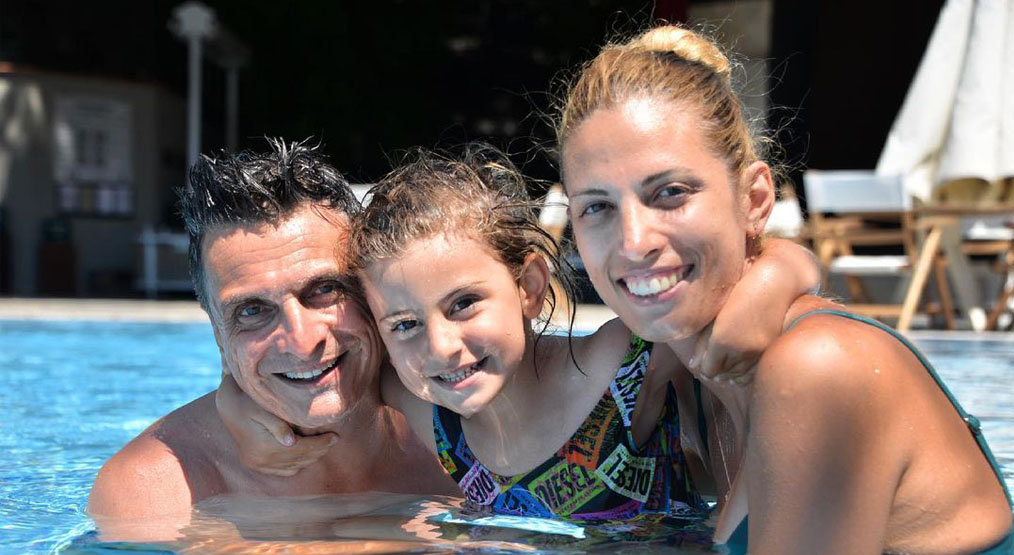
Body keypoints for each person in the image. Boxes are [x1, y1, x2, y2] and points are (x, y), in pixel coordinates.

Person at [556, 25, 1013, 553]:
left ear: (754, 200)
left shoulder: (816, 367)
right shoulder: (681, 372)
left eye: (670, 193)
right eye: (597, 207)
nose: (634, 243)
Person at [218, 144, 821, 522]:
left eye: (463, 304)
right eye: (404, 324)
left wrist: (778, 278)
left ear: (530, 287)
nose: (440, 347)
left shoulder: (622, 364)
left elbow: (760, 273)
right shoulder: (425, 404)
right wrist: (233, 399)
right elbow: (313, 365)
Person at [87, 140, 458, 541]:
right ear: (219, 339)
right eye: (252, 311)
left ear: (375, 291)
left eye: (325, 289)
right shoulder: (153, 493)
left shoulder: (465, 427)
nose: (301, 342)